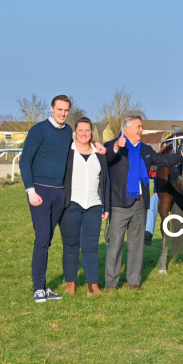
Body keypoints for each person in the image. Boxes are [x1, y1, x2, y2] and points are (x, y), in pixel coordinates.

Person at [20, 95, 105, 303]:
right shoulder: (38, 130)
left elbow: (81, 140)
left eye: (66, 110)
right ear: (51, 109)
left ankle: (45, 287)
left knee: (49, 240)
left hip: (61, 194)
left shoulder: (67, 131)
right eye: (59, 109)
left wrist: (96, 143)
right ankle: (38, 288)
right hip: (41, 192)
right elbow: (25, 161)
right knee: (42, 239)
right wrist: (30, 190)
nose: (63, 113)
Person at [104, 115, 183, 291]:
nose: (142, 130)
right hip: (119, 204)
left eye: (142, 126)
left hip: (140, 204)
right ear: (126, 129)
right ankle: (111, 284)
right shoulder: (112, 146)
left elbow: (166, 161)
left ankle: (133, 282)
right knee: (115, 245)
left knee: (137, 245)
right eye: (138, 127)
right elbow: (106, 158)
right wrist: (116, 146)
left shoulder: (145, 149)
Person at [59, 117, 110, 297]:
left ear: (91, 132)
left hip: (94, 206)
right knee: (70, 246)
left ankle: (92, 286)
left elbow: (105, 181)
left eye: (87, 130)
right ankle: (70, 284)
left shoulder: (99, 153)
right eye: (80, 130)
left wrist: (106, 207)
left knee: (91, 247)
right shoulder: (67, 151)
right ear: (75, 132)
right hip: (70, 205)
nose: (84, 133)